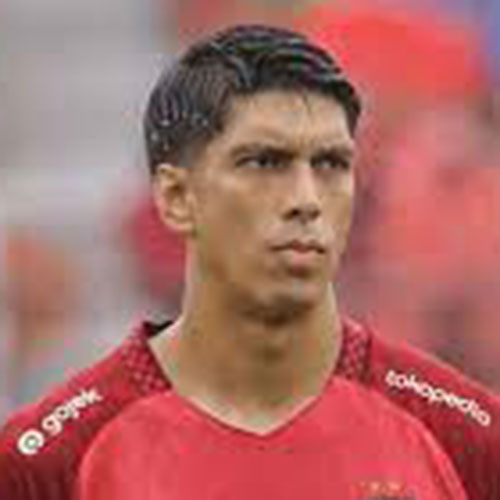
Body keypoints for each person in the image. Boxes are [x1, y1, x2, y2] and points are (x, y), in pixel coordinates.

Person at [0, 24, 498, 500]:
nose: (306, 199)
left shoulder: (468, 439)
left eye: (331, 164)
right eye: (263, 163)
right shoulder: (49, 463)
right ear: (176, 197)